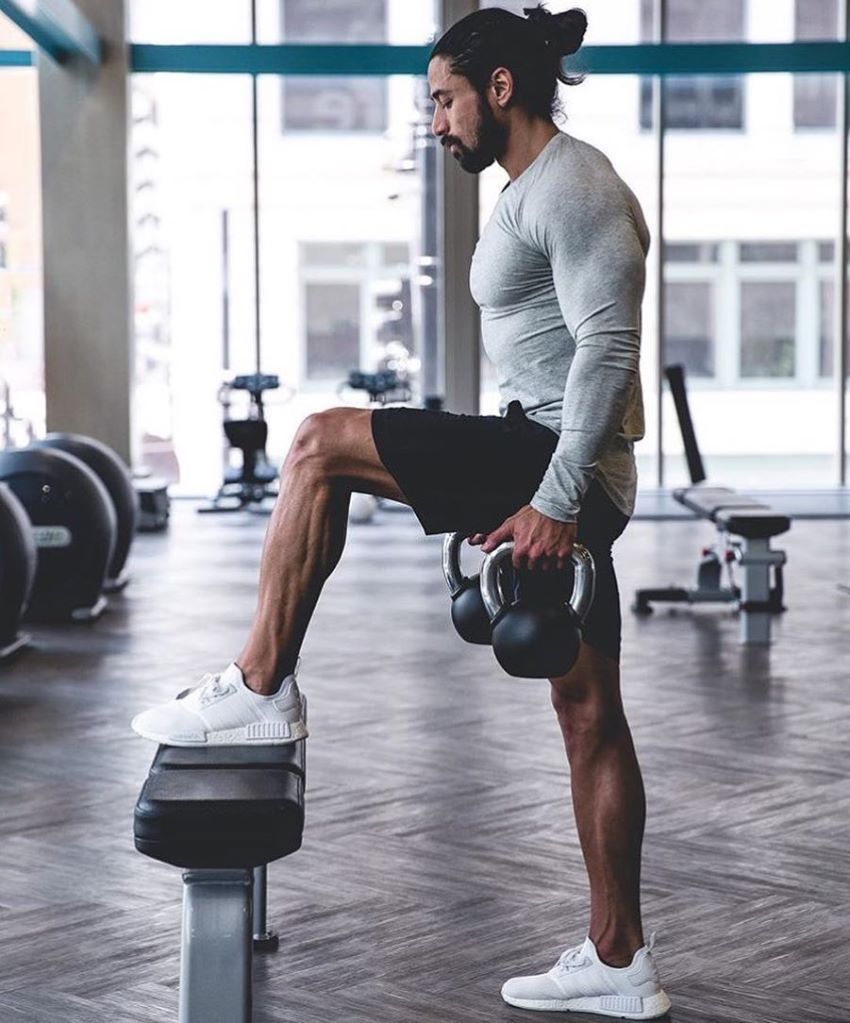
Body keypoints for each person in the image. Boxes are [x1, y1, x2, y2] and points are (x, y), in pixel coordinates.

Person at [132, 5, 670, 1018]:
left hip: (561, 464)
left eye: (443, 99)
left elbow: (605, 351)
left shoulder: (577, 185)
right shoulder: (528, 190)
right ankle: (619, 959)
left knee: (318, 443)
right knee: (588, 712)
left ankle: (258, 684)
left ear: (498, 88)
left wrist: (550, 500)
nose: (435, 121)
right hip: (543, 454)